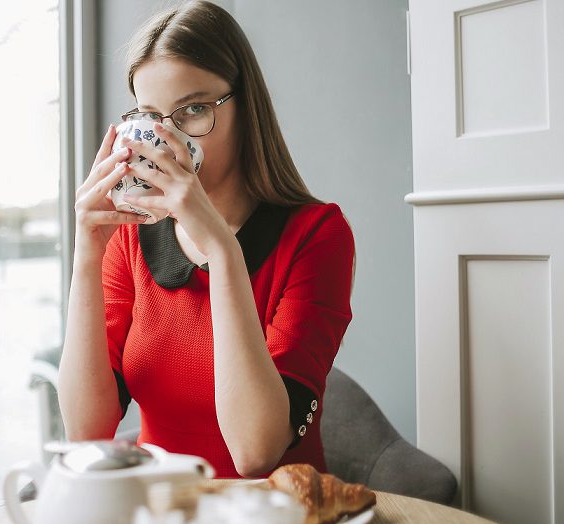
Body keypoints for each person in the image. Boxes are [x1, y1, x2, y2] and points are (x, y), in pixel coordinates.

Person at [58, 0, 354, 478]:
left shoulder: (318, 235)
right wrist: (87, 251)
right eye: (151, 116)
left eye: (193, 110)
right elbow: (86, 431)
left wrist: (220, 248)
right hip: (162, 513)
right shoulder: (133, 238)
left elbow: (256, 452)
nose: (167, 138)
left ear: (246, 105)